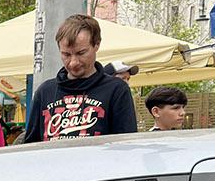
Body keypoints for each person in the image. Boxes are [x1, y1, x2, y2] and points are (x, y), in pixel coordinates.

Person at [23, 14, 138, 142]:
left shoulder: (116, 90)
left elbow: (126, 146)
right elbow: (30, 147)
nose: (73, 62)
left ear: (96, 45)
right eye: (66, 54)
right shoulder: (45, 91)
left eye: (81, 53)